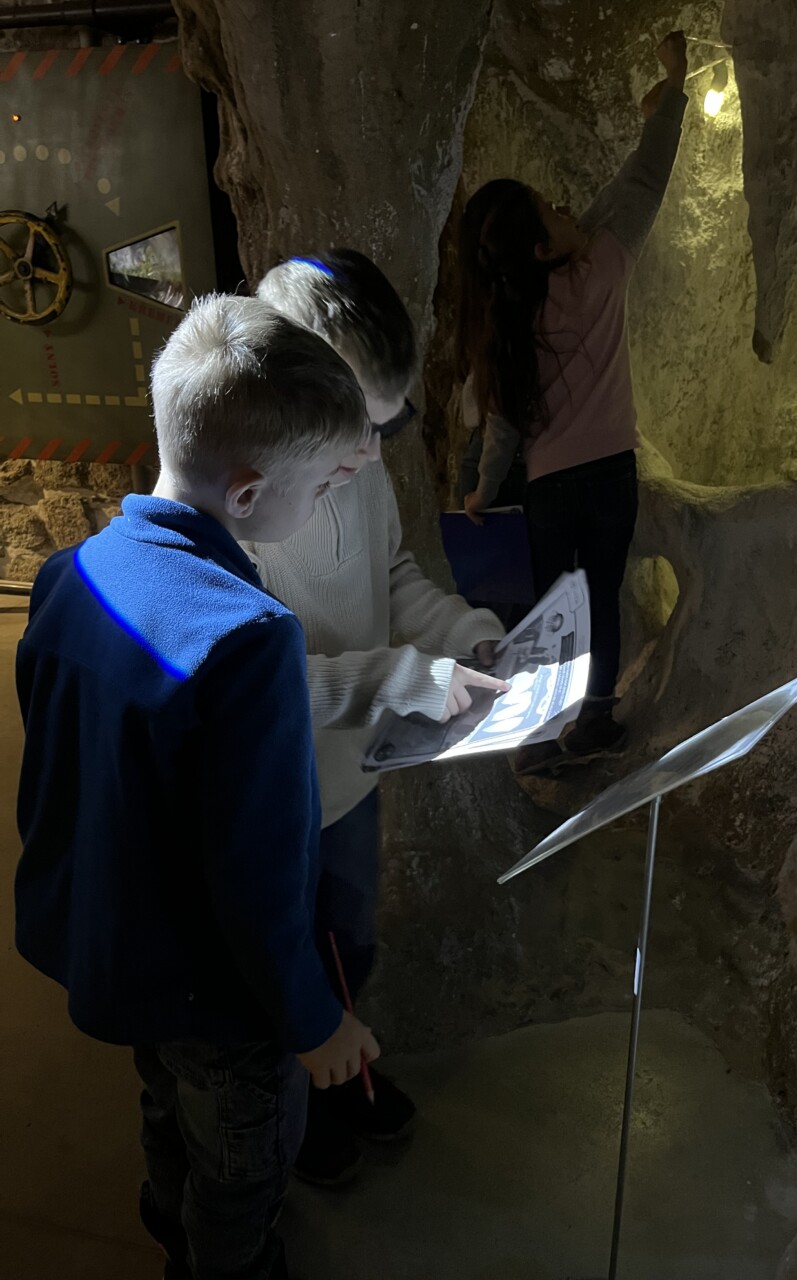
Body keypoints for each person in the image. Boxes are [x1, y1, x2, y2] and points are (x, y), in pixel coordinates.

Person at [14, 294, 377, 1280]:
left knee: (163, 1098)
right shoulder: (251, 638)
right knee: (245, 1156)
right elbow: (261, 880)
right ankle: (220, 1260)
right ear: (250, 495)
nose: (327, 501)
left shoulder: (67, 574)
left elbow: (64, 759)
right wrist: (316, 1021)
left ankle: (164, 1215)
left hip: (114, 950)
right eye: (323, 485)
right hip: (214, 994)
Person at [251, 251, 508, 1186]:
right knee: (282, 961)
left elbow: (392, 573)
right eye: (357, 424)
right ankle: (294, 1110)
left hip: (355, 770)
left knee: (350, 942)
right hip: (277, 794)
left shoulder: (354, 463)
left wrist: (469, 632)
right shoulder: (237, 498)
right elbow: (265, 684)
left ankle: (342, 1077)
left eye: (384, 428)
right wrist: (409, 679)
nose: (369, 453)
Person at [456, 30, 689, 775]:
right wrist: (674, 92)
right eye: (548, 207)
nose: (565, 207)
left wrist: (483, 491)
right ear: (541, 248)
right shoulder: (607, 266)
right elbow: (642, 184)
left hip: (551, 487)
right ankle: (593, 723)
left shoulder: (513, 320)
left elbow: (503, 424)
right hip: (612, 474)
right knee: (602, 595)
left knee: (554, 608)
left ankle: (532, 735)